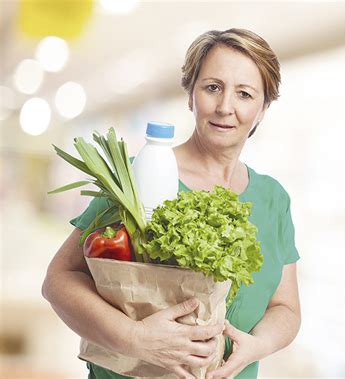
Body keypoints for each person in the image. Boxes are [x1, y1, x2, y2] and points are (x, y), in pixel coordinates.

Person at [42, 28, 301, 379]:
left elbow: (286, 308)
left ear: (263, 108)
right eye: (212, 87)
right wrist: (134, 338)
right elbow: (59, 279)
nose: (226, 107)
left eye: (244, 94)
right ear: (191, 95)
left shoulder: (273, 198)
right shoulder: (137, 178)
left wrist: (258, 345)